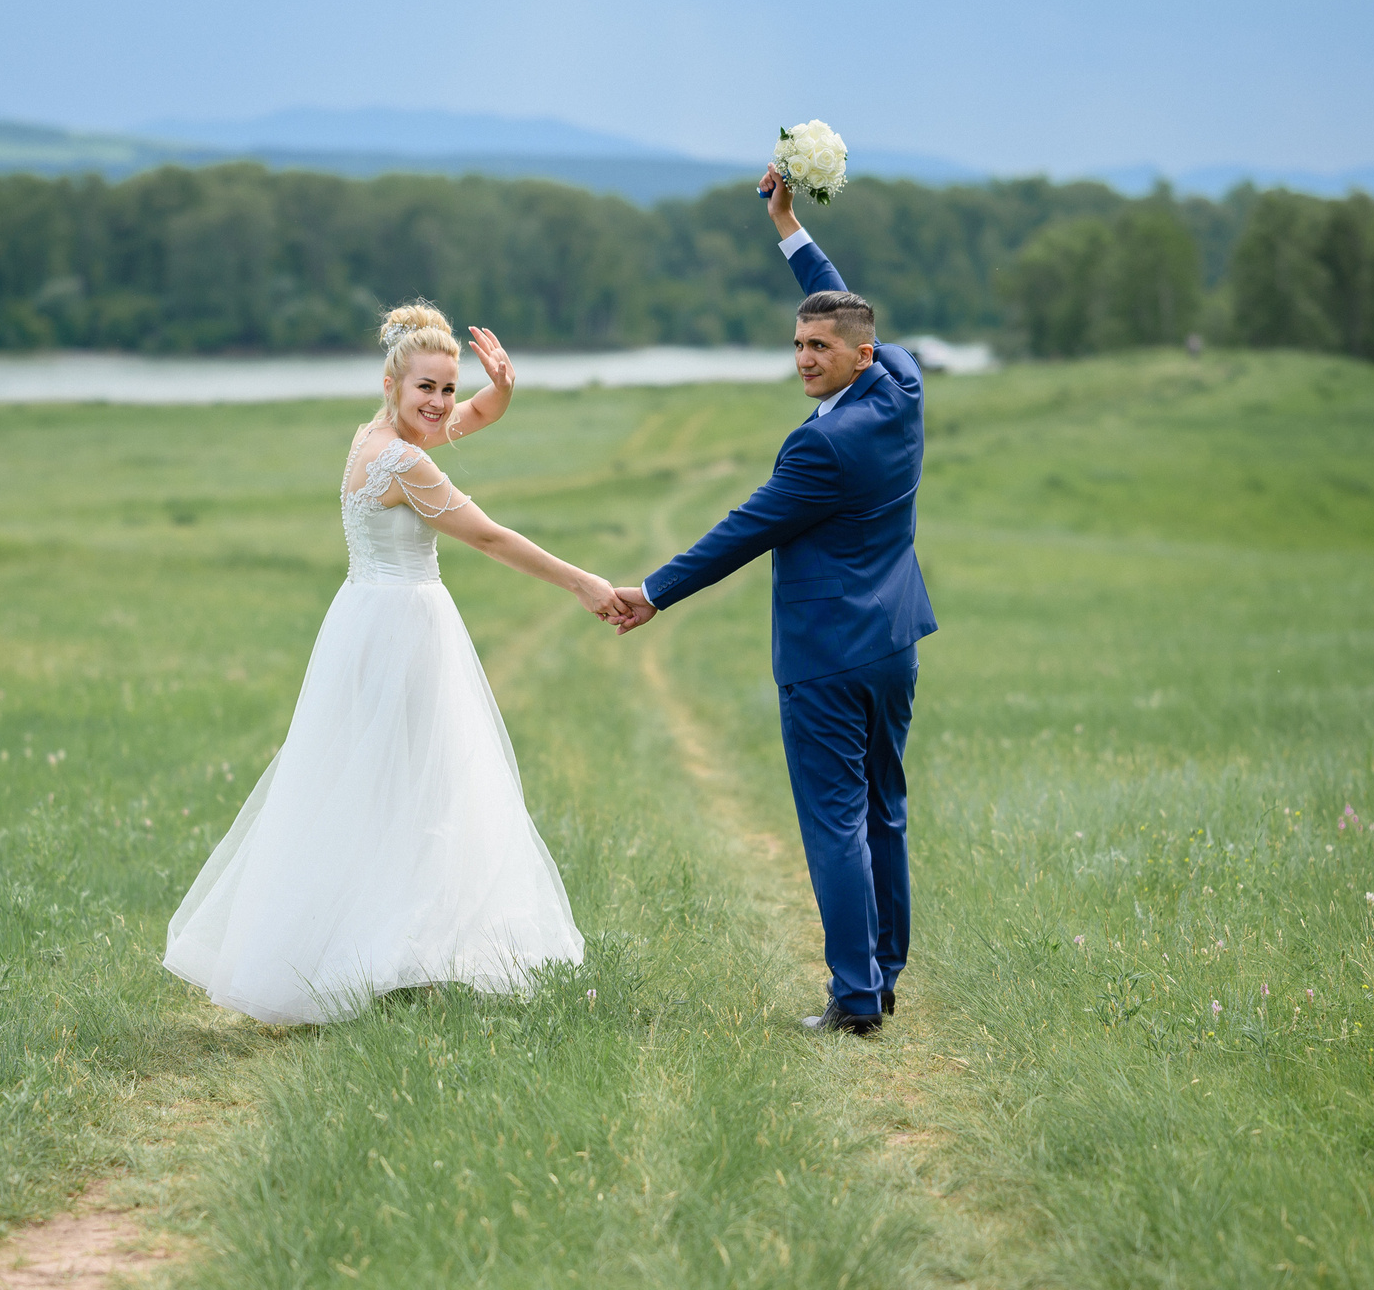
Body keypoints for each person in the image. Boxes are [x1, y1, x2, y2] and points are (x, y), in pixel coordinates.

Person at [163, 304, 623, 1025]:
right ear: (392, 384)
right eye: (427, 390)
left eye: (448, 387)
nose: (441, 404)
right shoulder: (404, 461)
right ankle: (380, 957)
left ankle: (400, 953)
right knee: (419, 783)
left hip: (368, 620)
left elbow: (474, 416)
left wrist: (500, 390)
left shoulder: (375, 437)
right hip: (402, 627)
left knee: (390, 784)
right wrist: (586, 584)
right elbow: (493, 539)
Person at [608, 166, 937, 1036]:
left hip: (828, 656)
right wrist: (787, 226)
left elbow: (742, 531)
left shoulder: (823, 450)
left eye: (816, 351)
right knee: (884, 813)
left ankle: (858, 997)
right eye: (796, 347)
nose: (802, 360)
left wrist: (652, 592)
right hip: (893, 641)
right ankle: (886, 971)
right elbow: (841, 305)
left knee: (836, 824)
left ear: (854, 356)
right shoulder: (900, 386)